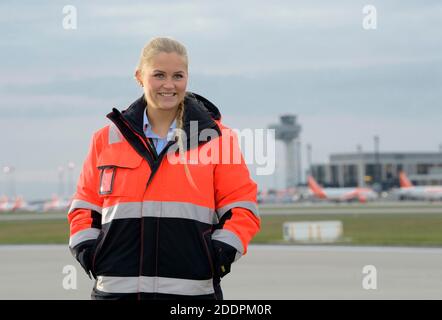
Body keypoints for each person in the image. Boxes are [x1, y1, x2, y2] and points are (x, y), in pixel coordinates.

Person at [67, 37, 260, 300]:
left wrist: (219, 255)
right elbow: (85, 205)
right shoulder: (107, 138)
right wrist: (88, 250)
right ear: (139, 76)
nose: (169, 85)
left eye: (177, 76)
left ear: (187, 78)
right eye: (159, 75)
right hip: (116, 290)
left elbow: (242, 207)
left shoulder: (217, 138)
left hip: (190, 292)